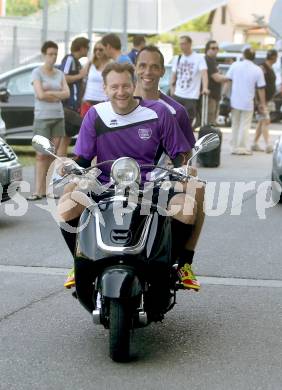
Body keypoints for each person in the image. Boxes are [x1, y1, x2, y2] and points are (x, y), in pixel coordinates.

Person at [59, 63, 201, 291]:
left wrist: (184, 169)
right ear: (105, 89)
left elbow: (178, 154)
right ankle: (80, 262)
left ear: (134, 85)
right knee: (67, 203)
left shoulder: (158, 112)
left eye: (126, 85)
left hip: (151, 183)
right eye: (114, 86)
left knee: (186, 209)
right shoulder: (95, 114)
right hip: (106, 183)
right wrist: (68, 165)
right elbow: (84, 159)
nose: (121, 91)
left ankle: (169, 265)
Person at [135, 45, 204, 292]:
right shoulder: (116, 101)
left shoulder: (176, 111)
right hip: (116, 176)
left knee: (196, 186)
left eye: (154, 66)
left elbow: (184, 156)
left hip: (159, 177)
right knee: (75, 188)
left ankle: (182, 262)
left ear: (163, 71)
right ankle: (81, 257)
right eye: (143, 65)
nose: (148, 71)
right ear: (135, 68)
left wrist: (182, 173)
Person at [27, 41, 70, 201]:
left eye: (55, 54)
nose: (53, 57)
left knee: (53, 155)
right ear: (44, 55)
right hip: (42, 117)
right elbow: (40, 95)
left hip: (58, 116)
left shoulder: (59, 74)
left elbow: (66, 93)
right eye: (50, 54)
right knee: (41, 155)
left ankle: (49, 190)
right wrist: (56, 93)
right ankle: (38, 191)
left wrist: (50, 93)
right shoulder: (36, 72)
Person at [223, 47, 266, 155]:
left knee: (235, 124)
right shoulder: (257, 69)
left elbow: (228, 81)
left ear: (243, 55)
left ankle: (233, 147)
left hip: (234, 101)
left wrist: (223, 95)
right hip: (248, 102)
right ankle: (241, 148)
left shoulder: (235, 65)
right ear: (254, 57)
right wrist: (262, 103)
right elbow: (261, 88)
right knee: (245, 125)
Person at [57, 37, 90, 156]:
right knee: (83, 127)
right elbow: (63, 77)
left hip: (74, 106)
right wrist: (79, 76)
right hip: (66, 105)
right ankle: (59, 164)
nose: (88, 50)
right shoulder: (69, 59)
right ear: (81, 48)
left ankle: (61, 165)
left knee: (66, 138)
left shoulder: (77, 62)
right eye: (87, 48)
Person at [169, 35, 209, 127]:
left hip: (191, 96)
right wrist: (172, 91)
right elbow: (173, 76)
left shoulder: (198, 58)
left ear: (190, 44)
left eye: (184, 44)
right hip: (178, 95)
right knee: (174, 122)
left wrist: (205, 88)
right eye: (180, 44)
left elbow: (204, 74)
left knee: (187, 123)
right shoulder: (177, 58)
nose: (182, 46)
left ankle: (185, 140)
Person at [252, 49, 278, 153]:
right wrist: (260, 102)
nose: (277, 59)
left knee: (261, 122)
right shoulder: (262, 67)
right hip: (262, 101)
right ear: (273, 57)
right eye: (276, 56)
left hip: (268, 100)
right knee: (265, 121)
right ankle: (268, 144)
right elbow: (259, 85)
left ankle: (254, 143)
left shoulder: (270, 68)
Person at [80, 40, 111, 117]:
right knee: (87, 127)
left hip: (104, 102)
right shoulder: (90, 64)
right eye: (95, 50)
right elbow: (81, 76)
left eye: (100, 49)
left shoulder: (111, 65)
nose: (98, 52)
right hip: (88, 101)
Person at [205, 40, 228, 124]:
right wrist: (230, 77)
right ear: (207, 49)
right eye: (213, 48)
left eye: (217, 48)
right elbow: (217, 78)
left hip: (215, 95)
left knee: (213, 120)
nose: (216, 50)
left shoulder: (213, 61)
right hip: (210, 96)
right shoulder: (208, 60)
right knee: (210, 122)